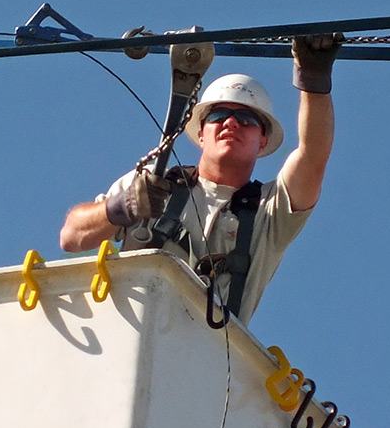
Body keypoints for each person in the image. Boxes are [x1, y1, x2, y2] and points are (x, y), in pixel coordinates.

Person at [60, 35, 339, 323]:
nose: (231, 123)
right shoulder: (153, 183)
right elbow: (71, 236)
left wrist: (313, 79)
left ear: (263, 142)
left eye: (247, 119)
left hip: (204, 359)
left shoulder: (270, 212)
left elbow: (313, 154)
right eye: (219, 115)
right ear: (201, 133)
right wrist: (122, 206)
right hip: (131, 338)